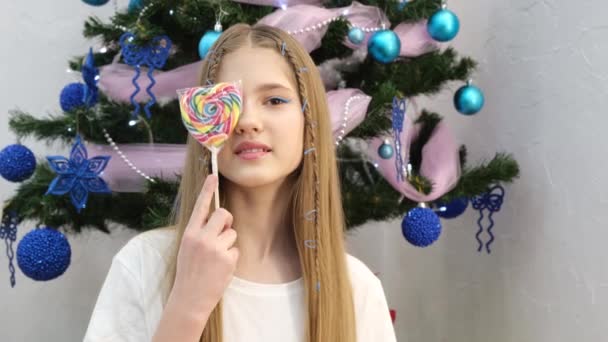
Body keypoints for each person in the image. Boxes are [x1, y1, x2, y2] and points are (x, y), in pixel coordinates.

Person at [84, 23, 396, 342]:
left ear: (309, 120)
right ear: (202, 116)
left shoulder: (355, 288)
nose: (247, 122)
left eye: (274, 100)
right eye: (226, 99)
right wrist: (188, 306)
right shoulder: (145, 263)